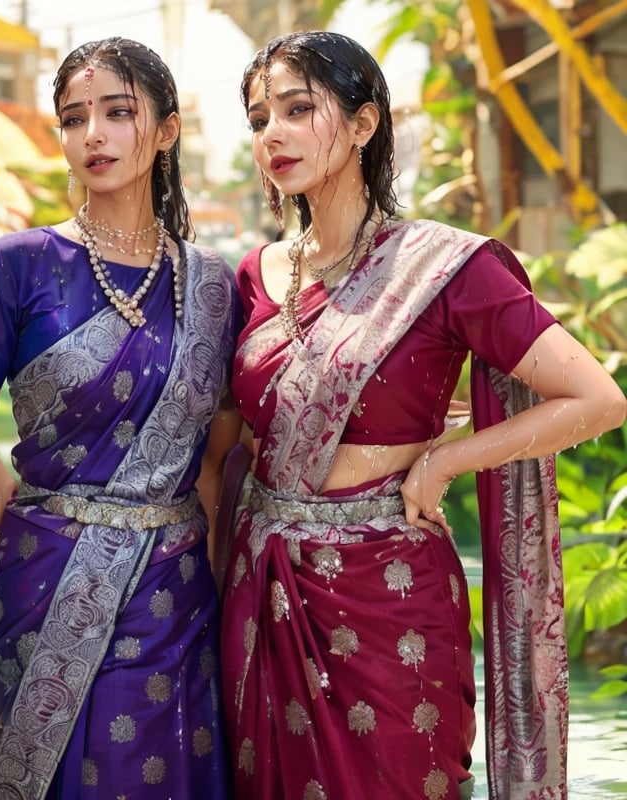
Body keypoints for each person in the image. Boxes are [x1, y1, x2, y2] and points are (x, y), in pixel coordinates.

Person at [219, 30, 627, 800]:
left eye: (298, 108)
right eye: (258, 117)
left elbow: (598, 400)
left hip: (388, 595)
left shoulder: (443, 268)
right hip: (264, 585)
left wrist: (445, 460)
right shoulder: (253, 275)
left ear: (365, 123)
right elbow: (233, 442)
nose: (273, 132)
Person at [0, 37, 241, 799]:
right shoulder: (21, 264)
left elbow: (219, 459)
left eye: (117, 112)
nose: (92, 134)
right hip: (41, 585)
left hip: (174, 598)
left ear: (165, 130)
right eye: (74, 118)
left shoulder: (216, 289)